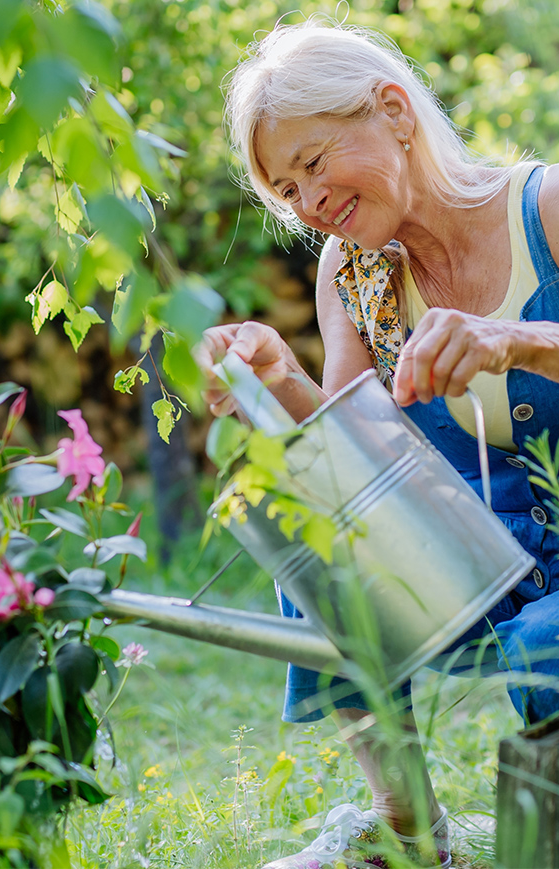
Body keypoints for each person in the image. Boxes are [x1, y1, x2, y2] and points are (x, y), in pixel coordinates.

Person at [197, 17, 559, 869]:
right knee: (311, 509)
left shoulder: (545, 209)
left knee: (551, 645)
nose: (307, 202)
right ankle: (408, 831)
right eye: (286, 190)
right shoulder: (352, 274)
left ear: (395, 111)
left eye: (315, 164)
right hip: (483, 558)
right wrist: (281, 379)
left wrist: (520, 342)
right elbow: (367, 464)